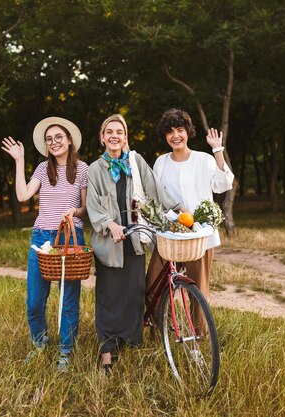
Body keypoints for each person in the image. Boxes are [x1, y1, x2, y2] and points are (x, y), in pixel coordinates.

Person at [86, 114, 180, 373]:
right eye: (109, 131)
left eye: (119, 131)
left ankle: (130, 338)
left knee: (133, 292)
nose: (114, 136)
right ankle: (107, 349)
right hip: (109, 241)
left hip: (136, 237)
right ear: (102, 137)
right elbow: (93, 206)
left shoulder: (135, 162)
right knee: (108, 294)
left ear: (125, 137)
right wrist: (110, 224)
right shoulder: (94, 169)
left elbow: (155, 189)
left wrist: (180, 212)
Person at [1, 117, 88, 372]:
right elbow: (22, 195)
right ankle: (39, 343)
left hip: (70, 238)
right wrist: (19, 161)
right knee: (35, 300)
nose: (54, 142)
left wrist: (75, 211)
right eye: (49, 139)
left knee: (68, 299)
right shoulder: (42, 169)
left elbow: (86, 208)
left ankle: (66, 350)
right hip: (41, 238)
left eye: (58, 137)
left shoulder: (82, 169)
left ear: (69, 139)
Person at [146, 108, 234, 331]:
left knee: (199, 290)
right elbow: (155, 198)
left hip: (199, 236)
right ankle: (163, 332)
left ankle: (198, 338)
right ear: (165, 136)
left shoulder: (203, 160)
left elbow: (223, 184)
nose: (175, 135)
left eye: (180, 130)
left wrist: (217, 150)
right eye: (170, 131)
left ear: (188, 132)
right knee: (153, 284)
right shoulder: (161, 163)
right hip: (169, 234)